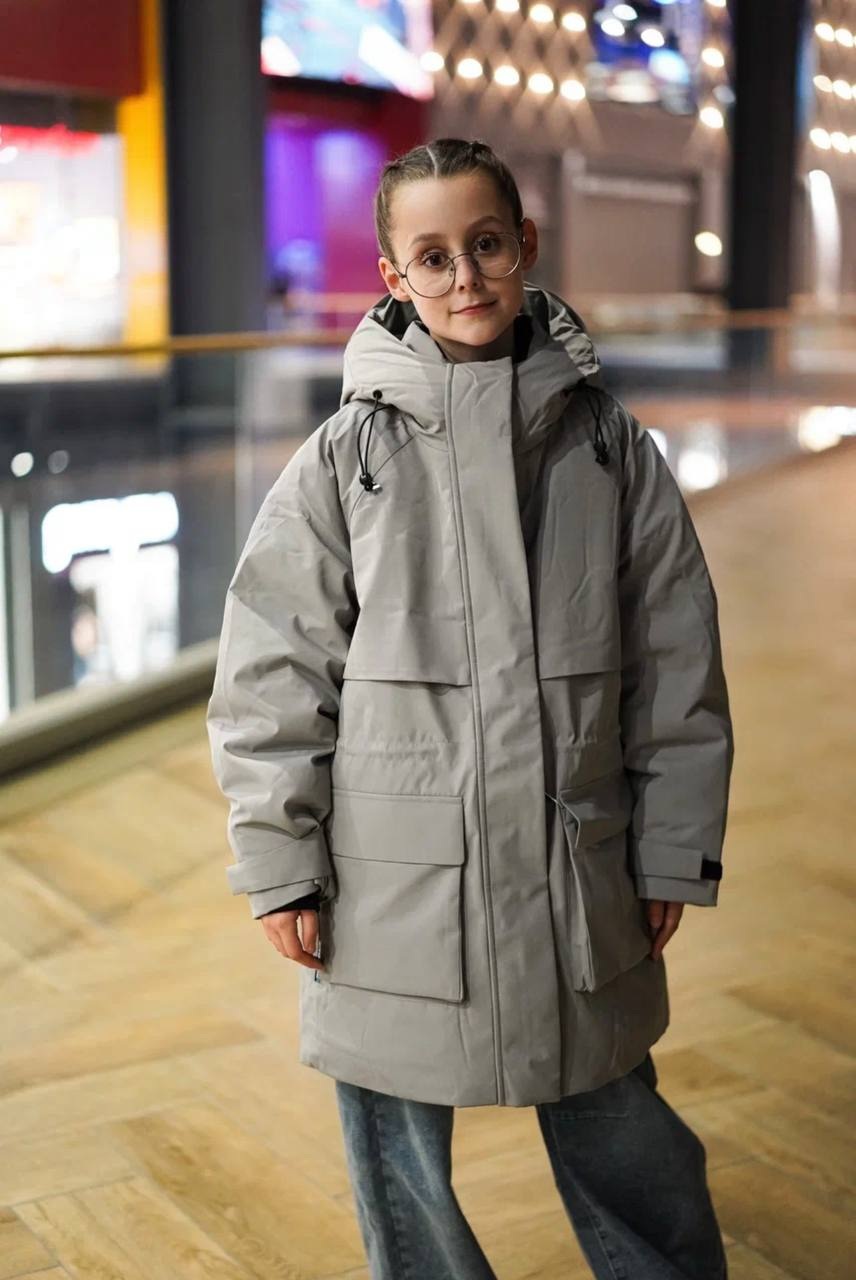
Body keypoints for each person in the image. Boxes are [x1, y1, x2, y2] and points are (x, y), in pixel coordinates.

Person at [206, 137, 734, 1279]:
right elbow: (271, 673)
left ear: (525, 246)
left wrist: (673, 846)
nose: (465, 277)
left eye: (486, 244)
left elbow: (676, 662)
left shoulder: (608, 449)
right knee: (396, 1146)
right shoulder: (344, 461)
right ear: (394, 277)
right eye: (434, 257)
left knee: (620, 1117)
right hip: (390, 878)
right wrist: (279, 860)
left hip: (575, 859)